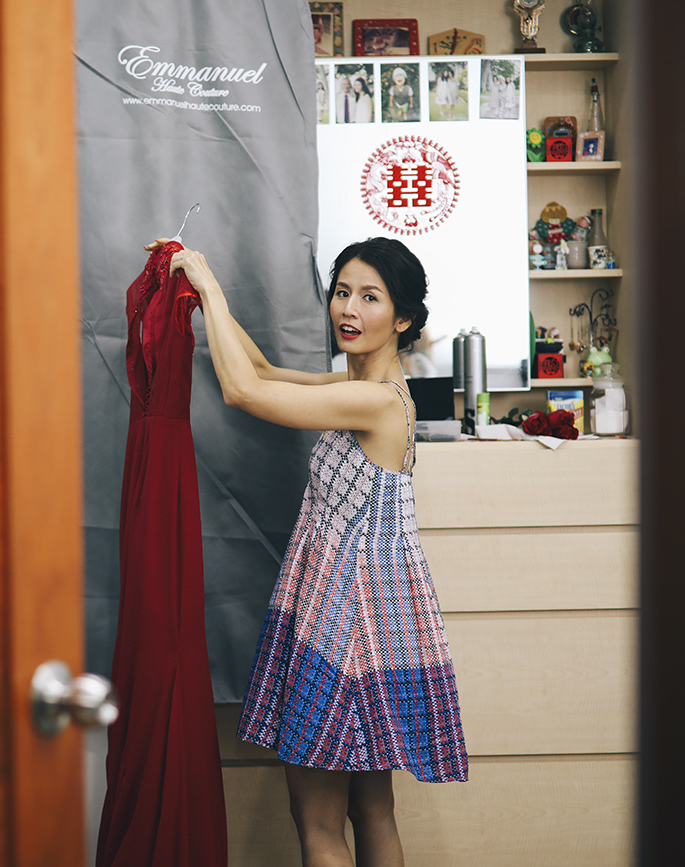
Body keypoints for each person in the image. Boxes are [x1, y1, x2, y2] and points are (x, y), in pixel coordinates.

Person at [148, 236, 469, 867]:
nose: (349, 309)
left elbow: (243, 393)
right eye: (342, 292)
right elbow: (262, 370)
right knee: (371, 809)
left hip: (343, 620)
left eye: (370, 297)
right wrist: (201, 294)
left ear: (402, 319)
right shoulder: (361, 386)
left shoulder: (374, 400)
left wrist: (207, 285)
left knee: (318, 820)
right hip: (377, 619)